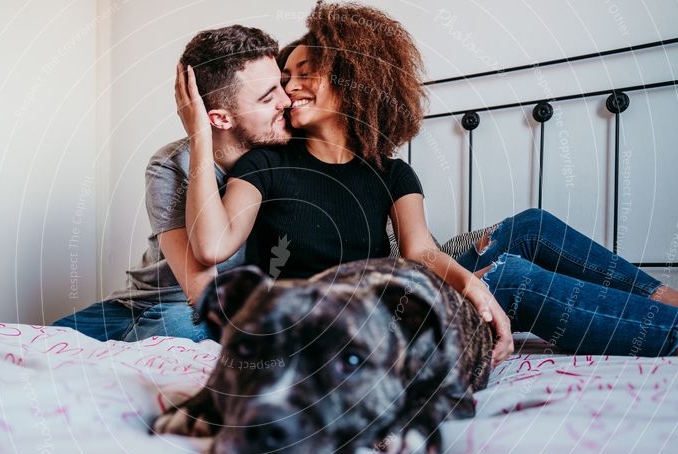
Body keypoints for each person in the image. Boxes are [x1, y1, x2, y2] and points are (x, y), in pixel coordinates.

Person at [178, 0, 678, 363]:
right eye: (286, 77)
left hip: (394, 301)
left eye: (306, 72)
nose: (290, 87)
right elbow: (211, 244)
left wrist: (467, 286)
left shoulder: (391, 172)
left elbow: (420, 250)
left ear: (352, 78)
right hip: (333, 324)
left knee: (521, 240)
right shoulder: (265, 166)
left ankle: (663, 304)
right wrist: (200, 133)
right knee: (508, 279)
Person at [51, 25, 291, 342]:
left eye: (281, 86)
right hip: (143, 301)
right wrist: (199, 137)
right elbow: (198, 286)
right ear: (220, 119)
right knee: (40, 344)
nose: (286, 101)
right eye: (268, 96)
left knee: (173, 332)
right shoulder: (170, 164)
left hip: (200, 313)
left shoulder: (285, 158)